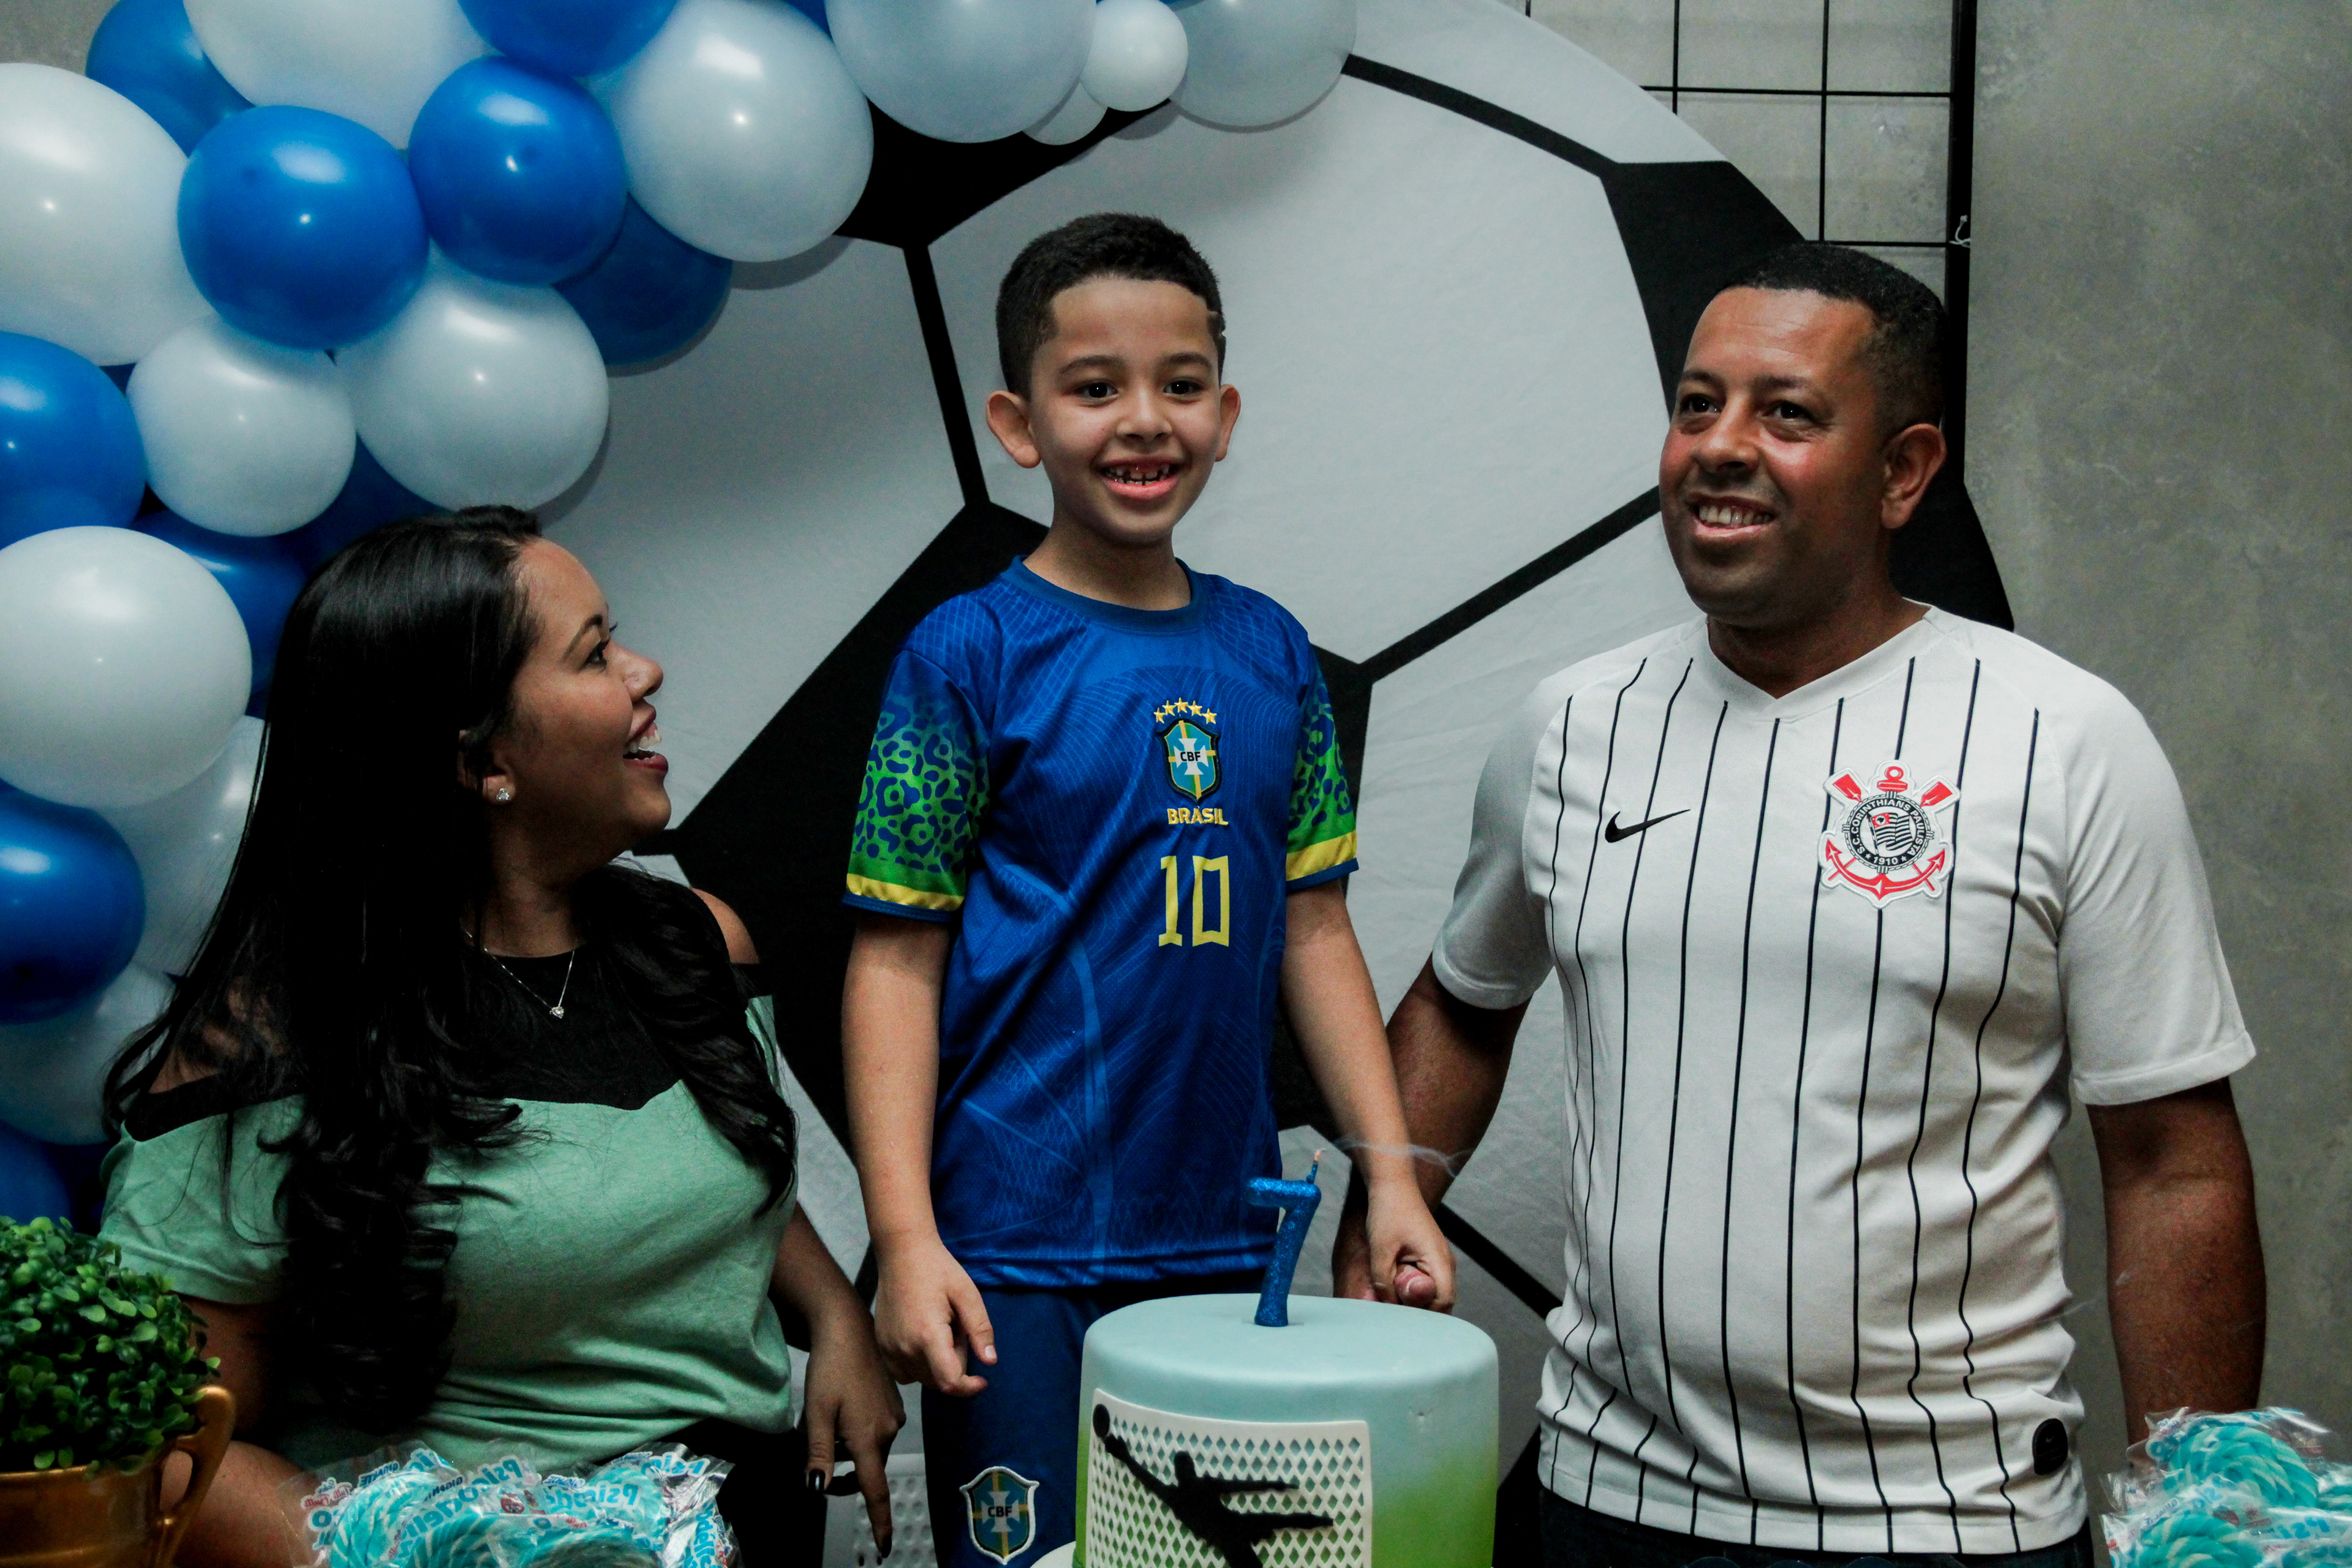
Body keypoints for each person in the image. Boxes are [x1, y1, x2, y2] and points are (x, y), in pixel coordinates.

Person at [1333, 244, 2264, 1567]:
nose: (1720, 447)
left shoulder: (2063, 737)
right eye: (1697, 404)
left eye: (1787, 413)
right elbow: (1465, 1006)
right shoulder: (1571, 726)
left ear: (1903, 471)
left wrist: (2204, 1512)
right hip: (1609, 1500)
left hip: (1952, 1522)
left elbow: (2174, 1159)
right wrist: (1392, 1188)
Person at [99, 509, 903, 1568]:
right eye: (596, 653)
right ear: (483, 760)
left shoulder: (699, 941)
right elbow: (164, 1451)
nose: (644, 670)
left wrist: (836, 1313)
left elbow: (693, 1167)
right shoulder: (274, 1037)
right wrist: (437, 1555)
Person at [839, 213, 1453, 1567]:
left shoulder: (1274, 651)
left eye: (1181, 383)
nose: (1144, 420)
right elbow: (896, 957)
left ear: (1226, 414)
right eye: (1094, 384)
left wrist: (1392, 1173)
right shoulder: (966, 652)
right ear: (1018, 420)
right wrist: (904, 1232)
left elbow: (1316, 925)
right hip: (1014, 1248)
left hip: (1233, 1241)